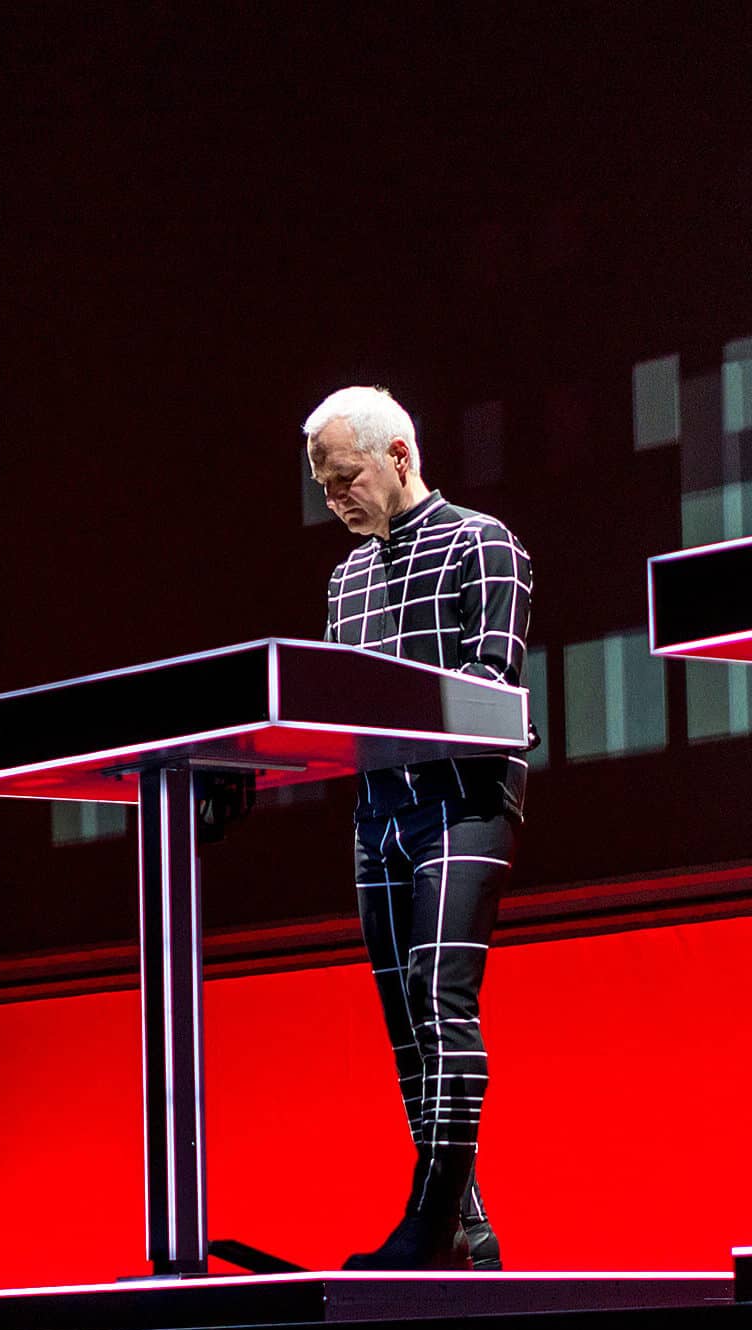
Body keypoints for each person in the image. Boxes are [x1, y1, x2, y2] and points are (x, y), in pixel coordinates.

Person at [306, 386, 534, 1269]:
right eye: (324, 488)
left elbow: (492, 686)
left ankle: (430, 1223)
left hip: (463, 800)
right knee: (406, 1023)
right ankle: (466, 1229)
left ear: (398, 455)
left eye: (345, 479)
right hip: (379, 813)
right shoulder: (346, 578)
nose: (335, 500)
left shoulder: (484, 543)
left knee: (441, 1001)